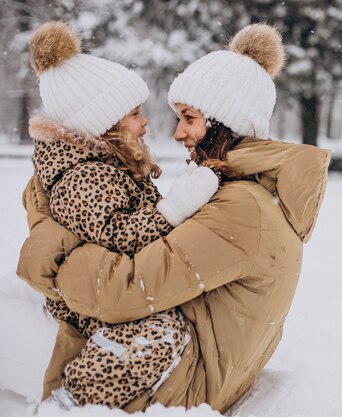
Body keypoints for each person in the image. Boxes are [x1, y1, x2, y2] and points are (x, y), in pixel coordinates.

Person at [17, 23, 330, 413]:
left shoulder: (242, 210)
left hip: (178, 384)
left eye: (189, 118)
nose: (177, 132)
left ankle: (62, 409)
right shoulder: (242, 192)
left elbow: (127, 291)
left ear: (224, 122)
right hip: (177, 363)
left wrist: (56, 253)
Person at [25, 22, 219, 409]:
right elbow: (118, 234)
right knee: (157, 333)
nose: (144, 122)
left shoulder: (107, 165)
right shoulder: (82, 175)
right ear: (104, 125)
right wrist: (175, 208)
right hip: (88, 295)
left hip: (113, 282)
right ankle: (71, 401)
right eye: (134, 114)